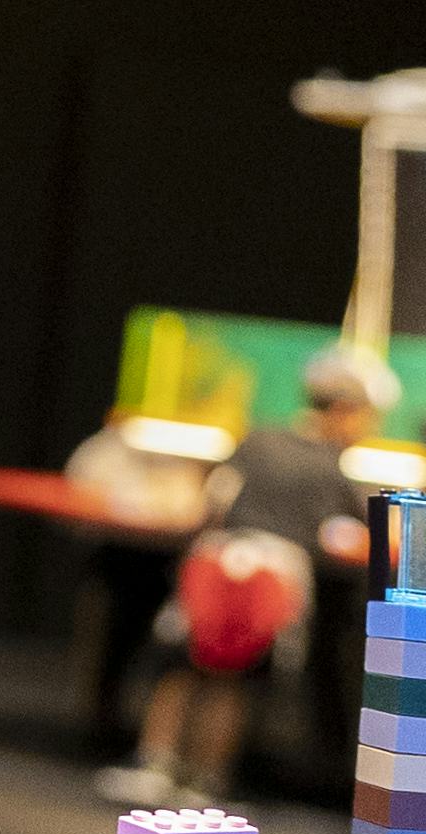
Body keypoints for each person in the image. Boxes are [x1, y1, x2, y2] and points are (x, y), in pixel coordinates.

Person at [93, 344, 389, 809]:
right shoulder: (332, 469)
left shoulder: (257, 440)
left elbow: (212, 503)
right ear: (344, 410)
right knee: (236, 681)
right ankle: (206, 782)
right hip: (272, 583)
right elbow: (357, 528)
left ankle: (155, 765)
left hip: (216, 564)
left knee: (182, 668)